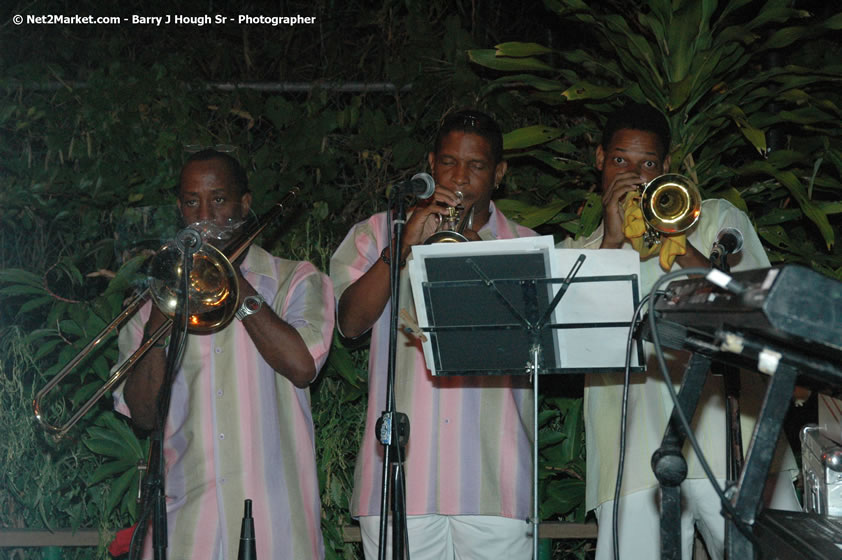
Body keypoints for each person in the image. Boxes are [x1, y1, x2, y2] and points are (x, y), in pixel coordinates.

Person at [558, 102, 800, 559]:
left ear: (666, 166)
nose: (634, 175)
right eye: (620, 160)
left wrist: (680, 242)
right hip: (632, 461)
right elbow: (575, 344)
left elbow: (757, 309)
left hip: (736, 446)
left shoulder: (716, 218)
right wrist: (611, 243)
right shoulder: (578, 252)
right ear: (600, 160)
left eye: (648, 164)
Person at [330, 109, 537, 559]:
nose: (459, 177)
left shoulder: (525, 244)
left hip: (494, 481)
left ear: (499, 173)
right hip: (399, 479)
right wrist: (402, 247)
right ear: (430, 163)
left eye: (476, 165)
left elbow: (538, 350)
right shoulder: (378, 232)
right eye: (448, 162)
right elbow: (349, 323)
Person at [112, 149, 334, 560]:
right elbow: (142, 414)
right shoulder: (151, 302)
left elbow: (302, 366)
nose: (204, 216)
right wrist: (162, 309)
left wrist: (232, 280)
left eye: (218, 200)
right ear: (180, 209)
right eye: (191, 202)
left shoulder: (295, 279)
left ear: (244, 205)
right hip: (185, 525)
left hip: (275, 523)